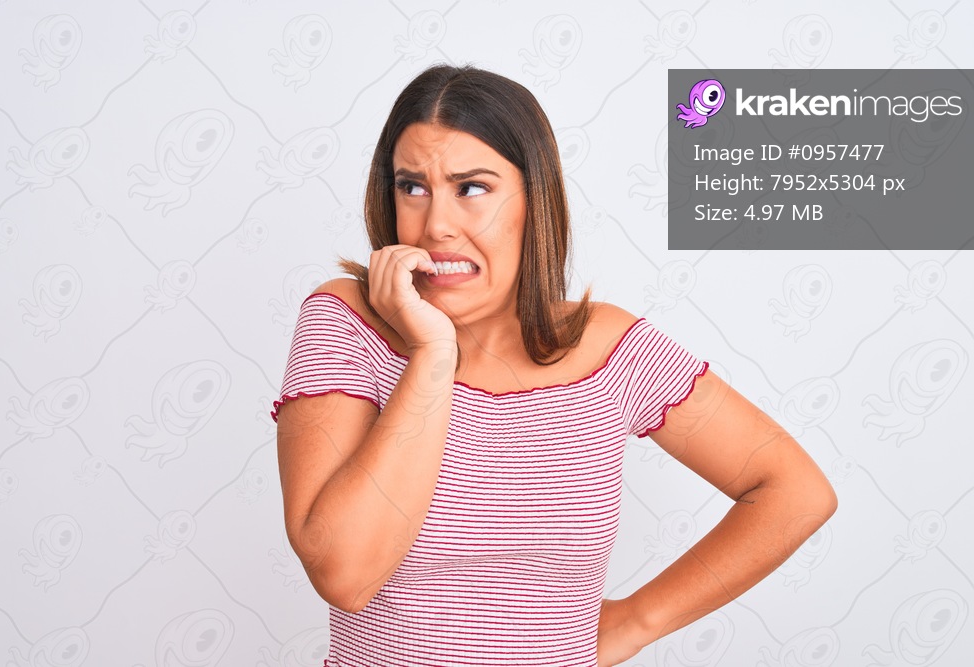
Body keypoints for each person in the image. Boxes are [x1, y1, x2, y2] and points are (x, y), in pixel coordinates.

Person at [271, 63, 837, 667]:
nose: (435, 225)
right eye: (412, 186)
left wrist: (638, 620)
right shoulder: (346, 322)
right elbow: (344, 575)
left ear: (534, 201)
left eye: (472, 188)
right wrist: (432, 353)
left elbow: (796, 493)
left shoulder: (609, 348)